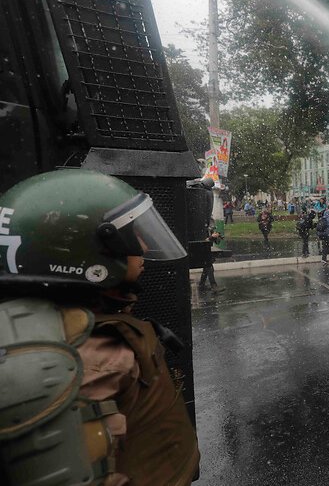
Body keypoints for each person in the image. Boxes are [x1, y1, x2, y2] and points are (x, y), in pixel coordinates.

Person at [0, 169, 199, 485]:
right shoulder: (91, 360)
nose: (145, 247)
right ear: (82, 254)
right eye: (132, 235)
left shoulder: (74, 332)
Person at [198, 221, 224, 293]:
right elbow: (203, 241)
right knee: (209, 267)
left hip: (207, 251)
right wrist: (211, 237)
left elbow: (216, 242)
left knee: (207, 267)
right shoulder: (200, 229)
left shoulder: (209, 229)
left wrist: (217, 237)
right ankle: (213, 286)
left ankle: (201, 284)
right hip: (201, 250)